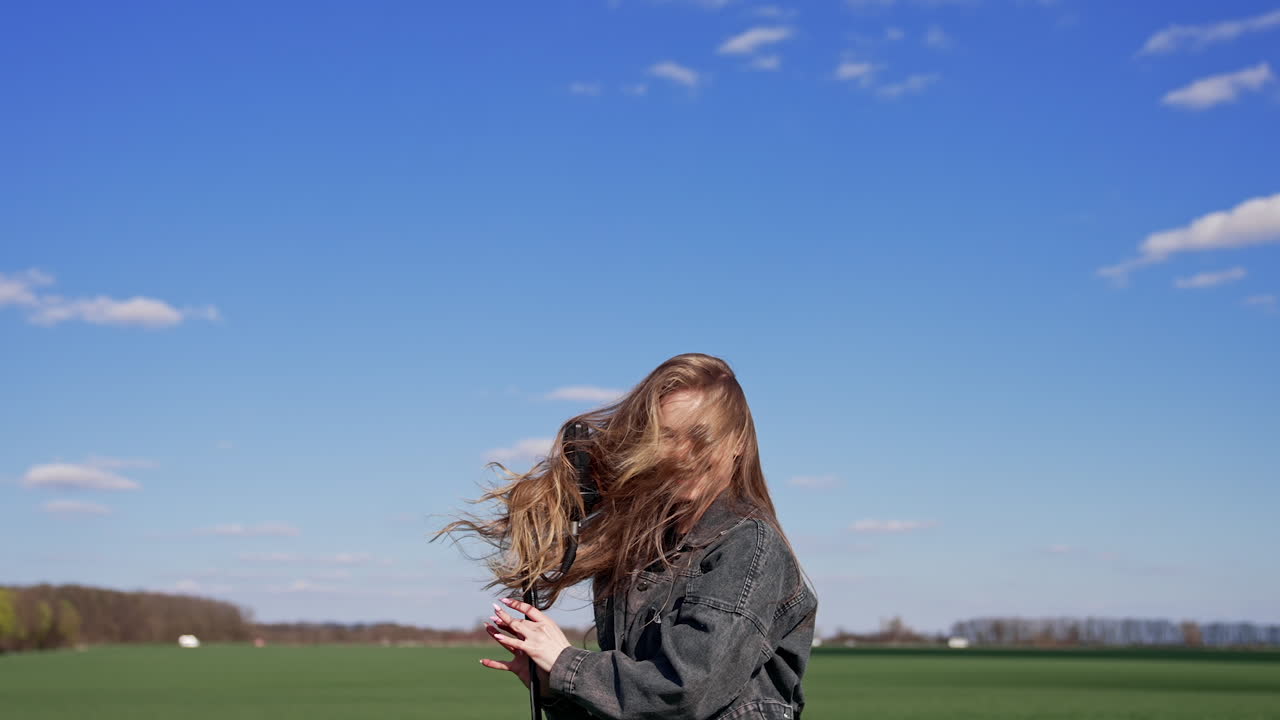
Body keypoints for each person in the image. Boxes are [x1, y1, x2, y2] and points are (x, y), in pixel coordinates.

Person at [434, 353, 818, 719]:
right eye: (667, 436)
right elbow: (636, 710)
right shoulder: (641, 552)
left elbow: (687, 692)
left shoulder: (746, 544)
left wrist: (565, 663)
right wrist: (554, 688)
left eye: (700, 438)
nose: (682, 454)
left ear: (737, 443)